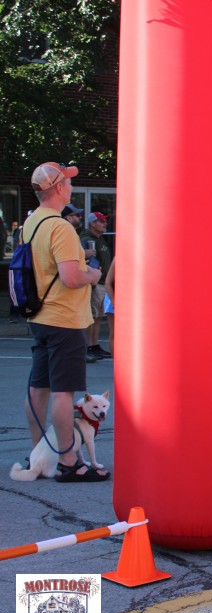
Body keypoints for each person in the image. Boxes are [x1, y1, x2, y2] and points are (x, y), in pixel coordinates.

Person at [22, 162, 108, 481]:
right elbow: (71, 278)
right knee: (63, 392)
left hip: (40, 315)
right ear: (58, 188)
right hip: (65, 319)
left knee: (38, 387)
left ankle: (37, 453)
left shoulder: (31, 223)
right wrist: (93, 274)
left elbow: (44, 265)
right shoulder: (61, 227)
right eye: (68, 183)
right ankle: (69, 461)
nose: (71, 187)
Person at [79, 212, 112, 361]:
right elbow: (86, 262)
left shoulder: (100, 239)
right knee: (92, 316)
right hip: (95, 283)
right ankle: (88, 346)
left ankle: (94, 344)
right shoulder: (87, 240)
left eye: (105, 221)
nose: (105, 224)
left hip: (102, 282)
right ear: (92, 224)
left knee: (98, 316)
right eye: (101, 221)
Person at [103, 257, 117, 357]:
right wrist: (115, 304)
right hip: (113, 297)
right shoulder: (119, 258)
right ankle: (116, 362)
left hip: (128, 300)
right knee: (114, 333)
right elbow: (107, 283)